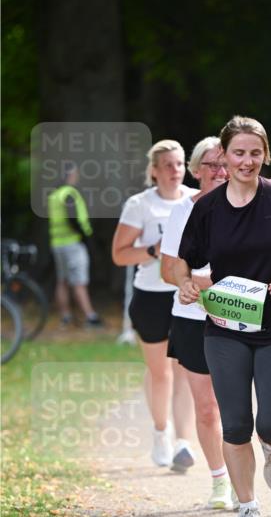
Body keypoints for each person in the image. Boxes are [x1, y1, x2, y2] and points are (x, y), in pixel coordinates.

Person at [175, 116, 271, 517]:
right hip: (224, 327)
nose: (247, 161)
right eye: (239, 153)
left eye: (256, 153)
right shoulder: (207, 209)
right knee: (235, 425)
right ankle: (248, 509)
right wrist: (185, 283)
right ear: (224, 156)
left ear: (265, 155)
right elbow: (185, 259)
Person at [160, 137, 238, 510]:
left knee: (240, 406)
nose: (221, 172)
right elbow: (167, 270)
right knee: (207, 408)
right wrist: (199, 282)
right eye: (212, 165)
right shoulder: (183, 211)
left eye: (226, 164)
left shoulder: (251, 206)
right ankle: (220, 480)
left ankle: (254, 462)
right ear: (196, 171)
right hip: (193, 319)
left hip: (241, 317)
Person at [111, 140, 197, 470]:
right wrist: (153, 250)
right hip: (150, 296)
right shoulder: (140, 205)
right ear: (154, 171)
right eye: (168, 165)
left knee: (186, 371)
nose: (175, 170)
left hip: (184, 293)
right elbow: (119, 255)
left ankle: (183, 443)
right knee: (160, 372)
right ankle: (162, 432)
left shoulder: (194, 199)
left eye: (179, 164)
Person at [47, 163, 102, 327]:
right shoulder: (69, 194)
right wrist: (84, 236)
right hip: (73, 243)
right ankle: (90, 316)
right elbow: (73, 218)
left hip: (57, 243)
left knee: (62, 281)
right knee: (79, 281)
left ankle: (66, 316)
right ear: (70, 175)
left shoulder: (54, 195)